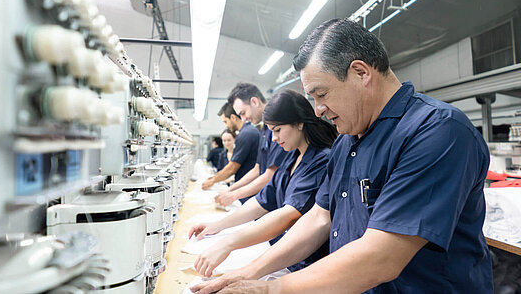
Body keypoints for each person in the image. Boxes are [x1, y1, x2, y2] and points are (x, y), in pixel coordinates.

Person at [192, 19, 493, 293]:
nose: (318, 110)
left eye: (321, 95)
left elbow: (382, 258)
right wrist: (250, 273)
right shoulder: (347, 141)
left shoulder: (436, 132)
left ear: (361, 73)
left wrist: (270, 289)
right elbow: (320, 218)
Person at [189, 89, 338, 277]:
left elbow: (289, 215)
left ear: (300, 123)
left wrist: (228, 244)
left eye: (277, 130)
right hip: (288, 259)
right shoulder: (292, 157)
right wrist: (217, 226)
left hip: (307, 266)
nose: (274, 138)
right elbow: (262, 200)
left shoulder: (321, 161)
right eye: (271, 131)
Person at [212, 83, 289, 205]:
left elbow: (271, 173)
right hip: (267, 198)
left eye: (243, 113)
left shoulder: (276, 129)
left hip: (279, 199)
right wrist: (230, 190)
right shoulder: (263, 130)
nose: (243, 119)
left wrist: (233, 195)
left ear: (254, 102)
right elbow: (257, 169)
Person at [202, 103, 259, 191]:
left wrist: (212, 181)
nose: (226, 125)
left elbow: (232, 168)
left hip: (249, 187)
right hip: (246, 185)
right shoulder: (248, 131)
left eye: (225, 121)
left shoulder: (246, 134)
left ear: (233, 117)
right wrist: (213, 178)